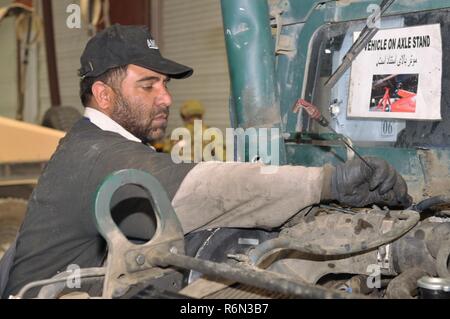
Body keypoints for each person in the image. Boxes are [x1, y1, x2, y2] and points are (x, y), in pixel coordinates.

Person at [1, 25, 411, 298]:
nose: (165, 97)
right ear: (104, 96)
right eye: (148, 85)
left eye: (164, 84)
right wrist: (328, 182)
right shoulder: (98, 155)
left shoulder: (90, 142)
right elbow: (206, 188)